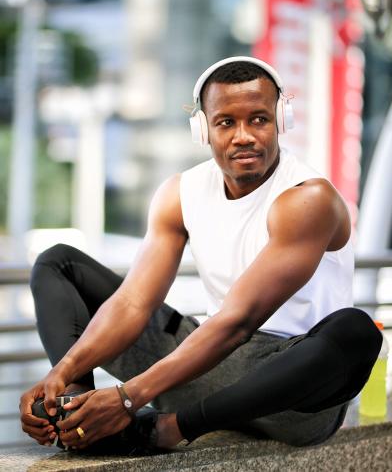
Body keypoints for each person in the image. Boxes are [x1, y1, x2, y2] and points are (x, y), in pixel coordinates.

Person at [20, 56, 381, 452]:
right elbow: (134, 302)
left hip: (287, 393)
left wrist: (128, 397)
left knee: (356, 331)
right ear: (202, 129)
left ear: (281, 120)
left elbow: (237, 322)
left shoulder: (307, 199)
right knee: (59, 263)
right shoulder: (180, 193)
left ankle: (168, 429)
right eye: (226, 122)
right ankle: (78, 417)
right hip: (202, 368)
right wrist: (64, 370)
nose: (243, 135)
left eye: (258, 119)